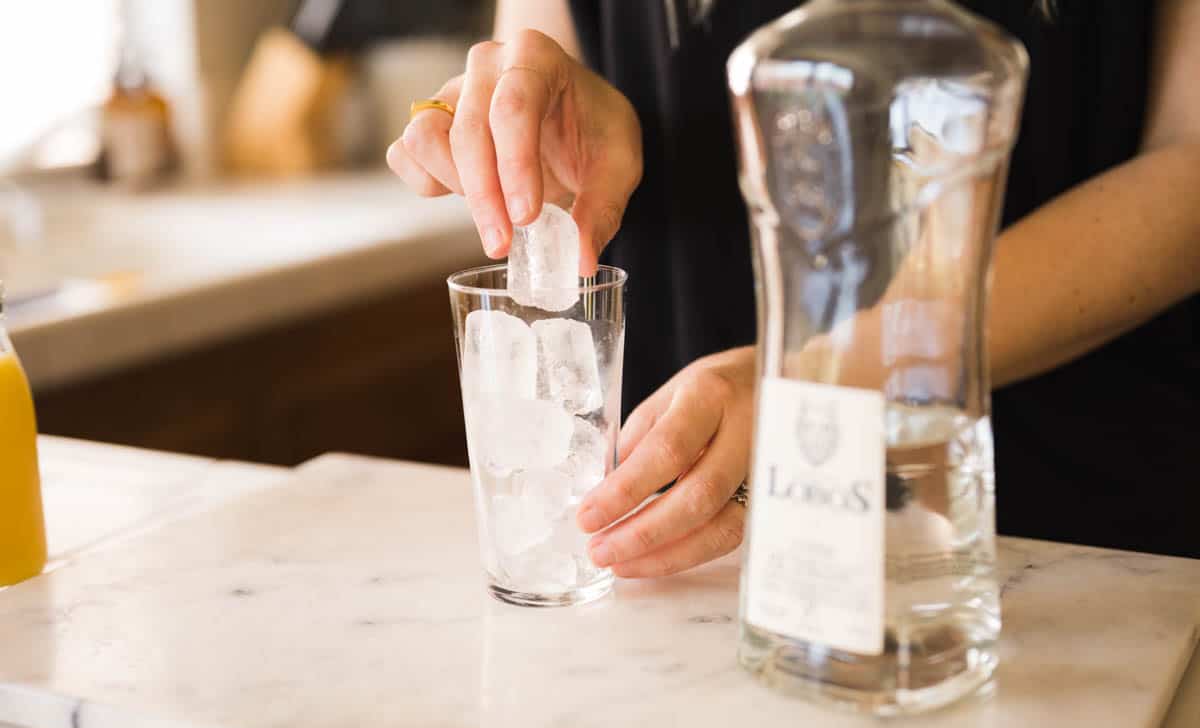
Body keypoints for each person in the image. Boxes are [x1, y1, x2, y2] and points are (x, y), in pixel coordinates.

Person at [389, 0, 1200, 574]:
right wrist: (546, 148)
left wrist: (810, 383)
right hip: (692, 557)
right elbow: (533, 83)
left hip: (1063, 546)